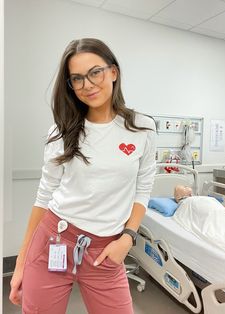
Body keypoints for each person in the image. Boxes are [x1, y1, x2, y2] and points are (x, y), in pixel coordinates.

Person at [9, 38, 156, 314]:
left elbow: (143, 188)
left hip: (107, 251)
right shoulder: (61, 131)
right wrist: (21, 263)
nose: (87, 84)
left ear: (113, 72)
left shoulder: (142, 129)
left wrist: (127, 238)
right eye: (77, 78)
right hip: (54, 240)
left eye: (95, 72)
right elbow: (44, 197)